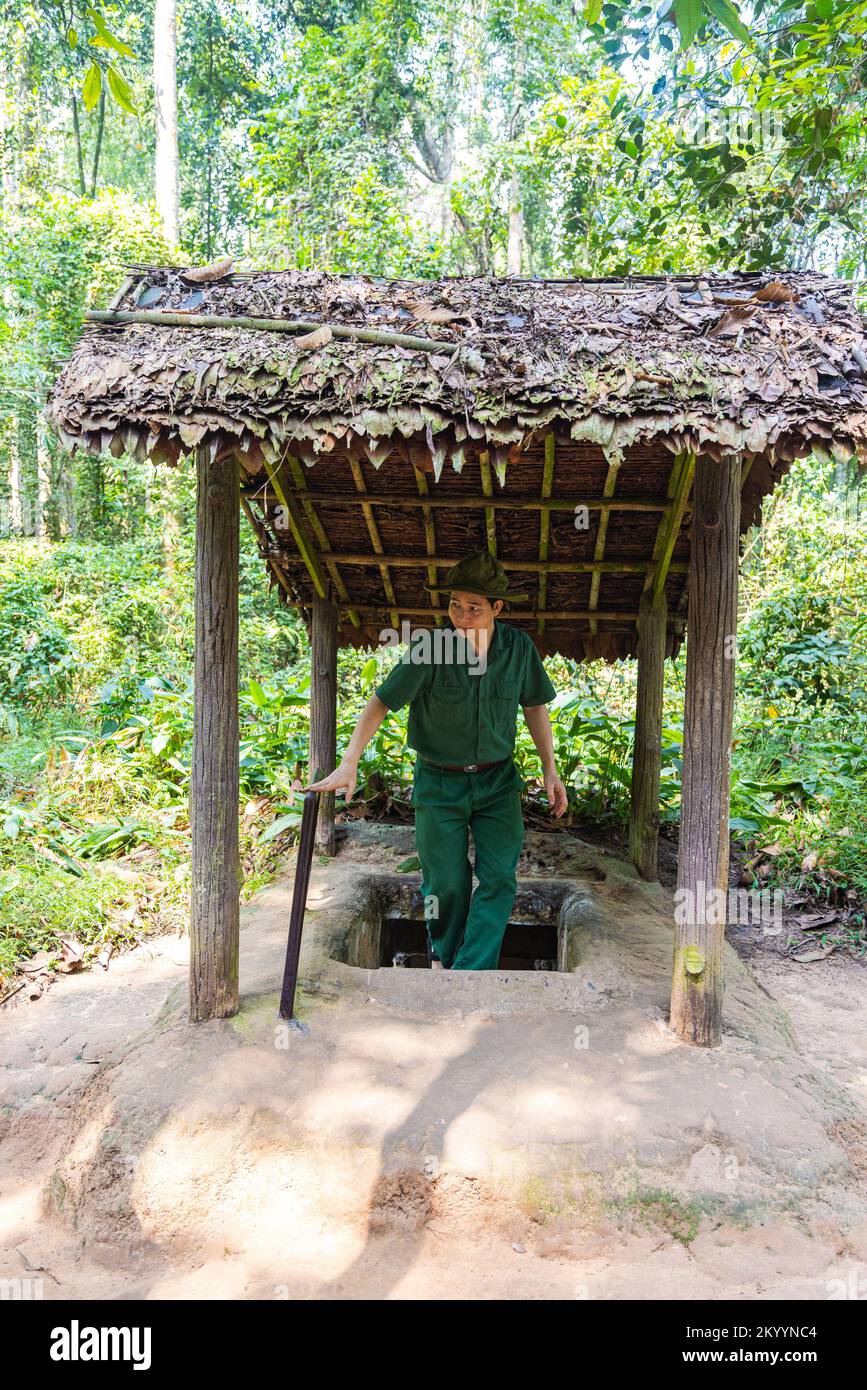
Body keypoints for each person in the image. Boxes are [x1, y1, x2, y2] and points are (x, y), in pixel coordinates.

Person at [306, 550, 568, 970]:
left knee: (499, 878)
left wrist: (550, 770)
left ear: (497, 608)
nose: (461, 616)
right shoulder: (431, 649)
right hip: (438, 784)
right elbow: (380, 702)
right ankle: (445, 959)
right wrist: (350, 760)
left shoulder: (519, 649)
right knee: (443, 885)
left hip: (497, 783)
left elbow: (535, 706)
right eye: (454, 605)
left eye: (473, 608)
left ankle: (471, 970)